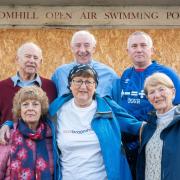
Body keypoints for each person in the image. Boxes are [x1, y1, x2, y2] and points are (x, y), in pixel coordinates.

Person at [49, 64, 144, 180]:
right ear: (70, 84)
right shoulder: (56, 110)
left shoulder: (107, 107)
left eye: (89, 82)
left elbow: (133, 125)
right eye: (78, 81)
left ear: (95, 86)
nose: (83, 86)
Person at [112, 31, 180, 179]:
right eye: (134, 46)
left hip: (156, 141)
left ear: (152, 50)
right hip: (129, 145)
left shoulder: (168, 73)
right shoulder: (125, 75)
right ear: (128, 51)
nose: (139, 49)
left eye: (143, 45)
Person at [0, 86, 60, 179]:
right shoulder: (8, 135)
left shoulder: (51, 136)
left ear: (42, 109)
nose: (30, 108)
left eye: (35, 104)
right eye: (25, 104)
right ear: (20, 110)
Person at [0, 42, 57, 126]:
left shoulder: (50, 86)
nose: (31, 61)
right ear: (17, 59)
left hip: (42, 138)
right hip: (9, 138)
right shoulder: (2, 87)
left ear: (40, 62)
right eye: (27, 56)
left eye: (35, 58)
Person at [137, 72, 180, 180]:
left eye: (161, 89)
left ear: (173, 92)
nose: (157, 95)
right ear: (148, 98)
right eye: (151, 92)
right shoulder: (147, 128)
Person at [52, 30, 118, 97]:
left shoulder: (109, 75)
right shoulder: (59, 74)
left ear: (93, 49)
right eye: (78, 45)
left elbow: (117, 104)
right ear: (72, 48)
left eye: (87, 45)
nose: (82, 50)